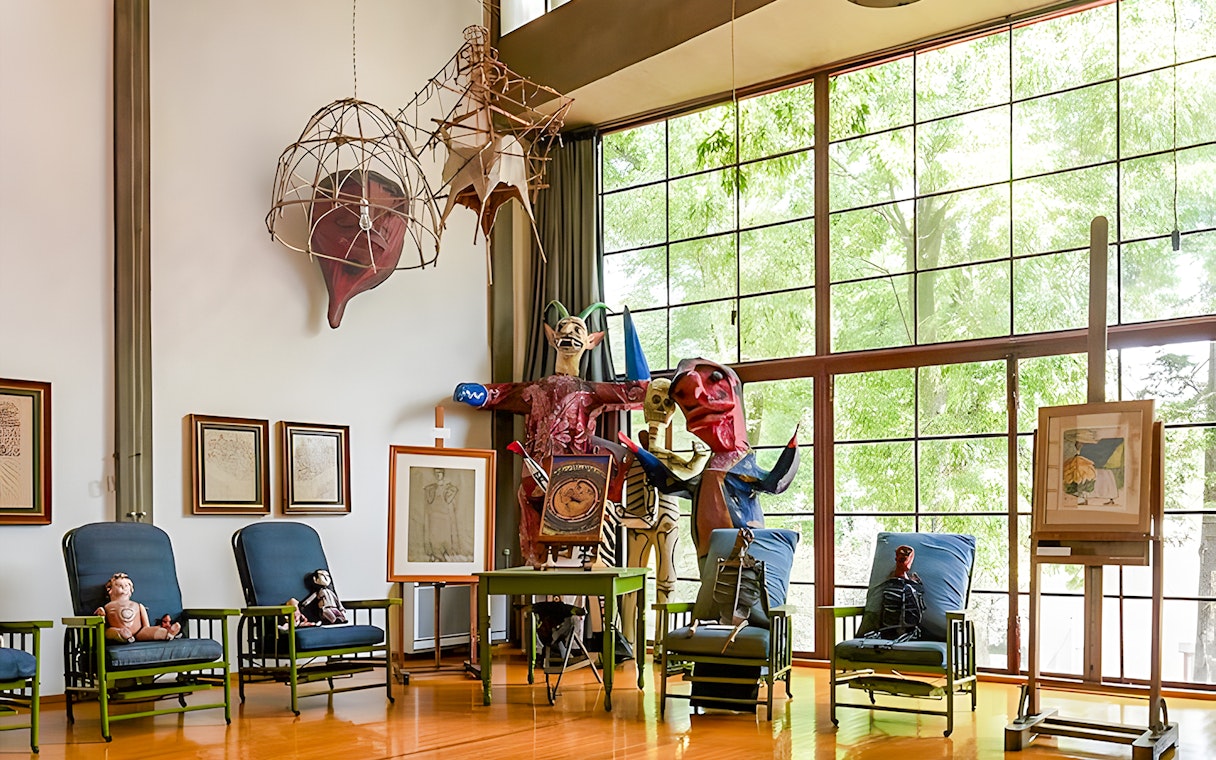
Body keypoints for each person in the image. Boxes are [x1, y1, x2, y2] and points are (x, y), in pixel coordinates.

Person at [453, 301, 646, 567]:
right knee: (532, 529)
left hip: (574, 473)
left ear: (592, 341)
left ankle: (577, 581)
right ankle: (536, 571)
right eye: (563, 327)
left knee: (576, 536)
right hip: (535, 469)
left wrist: (629, 335)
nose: (569, 331)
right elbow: (501, 394)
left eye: (577, 328)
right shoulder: (536, 389)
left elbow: (636, 393)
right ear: (551, 337)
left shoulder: (590, 391)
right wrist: (478, 393)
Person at [620, 357, 799, 564]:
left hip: (743, 554)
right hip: (707, 553)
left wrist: (790, 454)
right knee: (715, 589)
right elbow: (671, 484)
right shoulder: (710, 472)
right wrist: (641, 454)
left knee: (738, 588)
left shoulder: (741, 467)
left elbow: (773, 483)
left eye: (714, 380)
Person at [96, 572, 180, 643]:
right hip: (117, 630)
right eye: (119, 585)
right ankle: (124, 635)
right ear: (109, 589)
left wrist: (148, 630)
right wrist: (101, 613)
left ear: (131, 589)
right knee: (110, 632)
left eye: (127, 585)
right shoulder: (108, 606)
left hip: (139, 632)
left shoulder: (138, 605)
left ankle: (167, 633)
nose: (124, 587)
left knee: (149, 631)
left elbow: (146, 626)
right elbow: (104, 624)